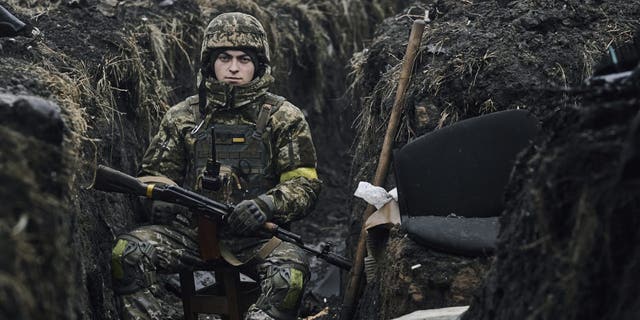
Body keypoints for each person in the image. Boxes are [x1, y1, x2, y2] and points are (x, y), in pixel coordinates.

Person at [110, 12, 322, 320]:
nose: (234, 68)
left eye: (244, 59)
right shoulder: (184, 115)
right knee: (125, 253)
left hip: (258, 238)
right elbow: (154, 175)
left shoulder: (283, 117)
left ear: (259, 64)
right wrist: (160, 201)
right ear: (210, 62)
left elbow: (305, 183)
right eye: (224, 57)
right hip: (191, 233)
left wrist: (266, 205)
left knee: (289, 278)